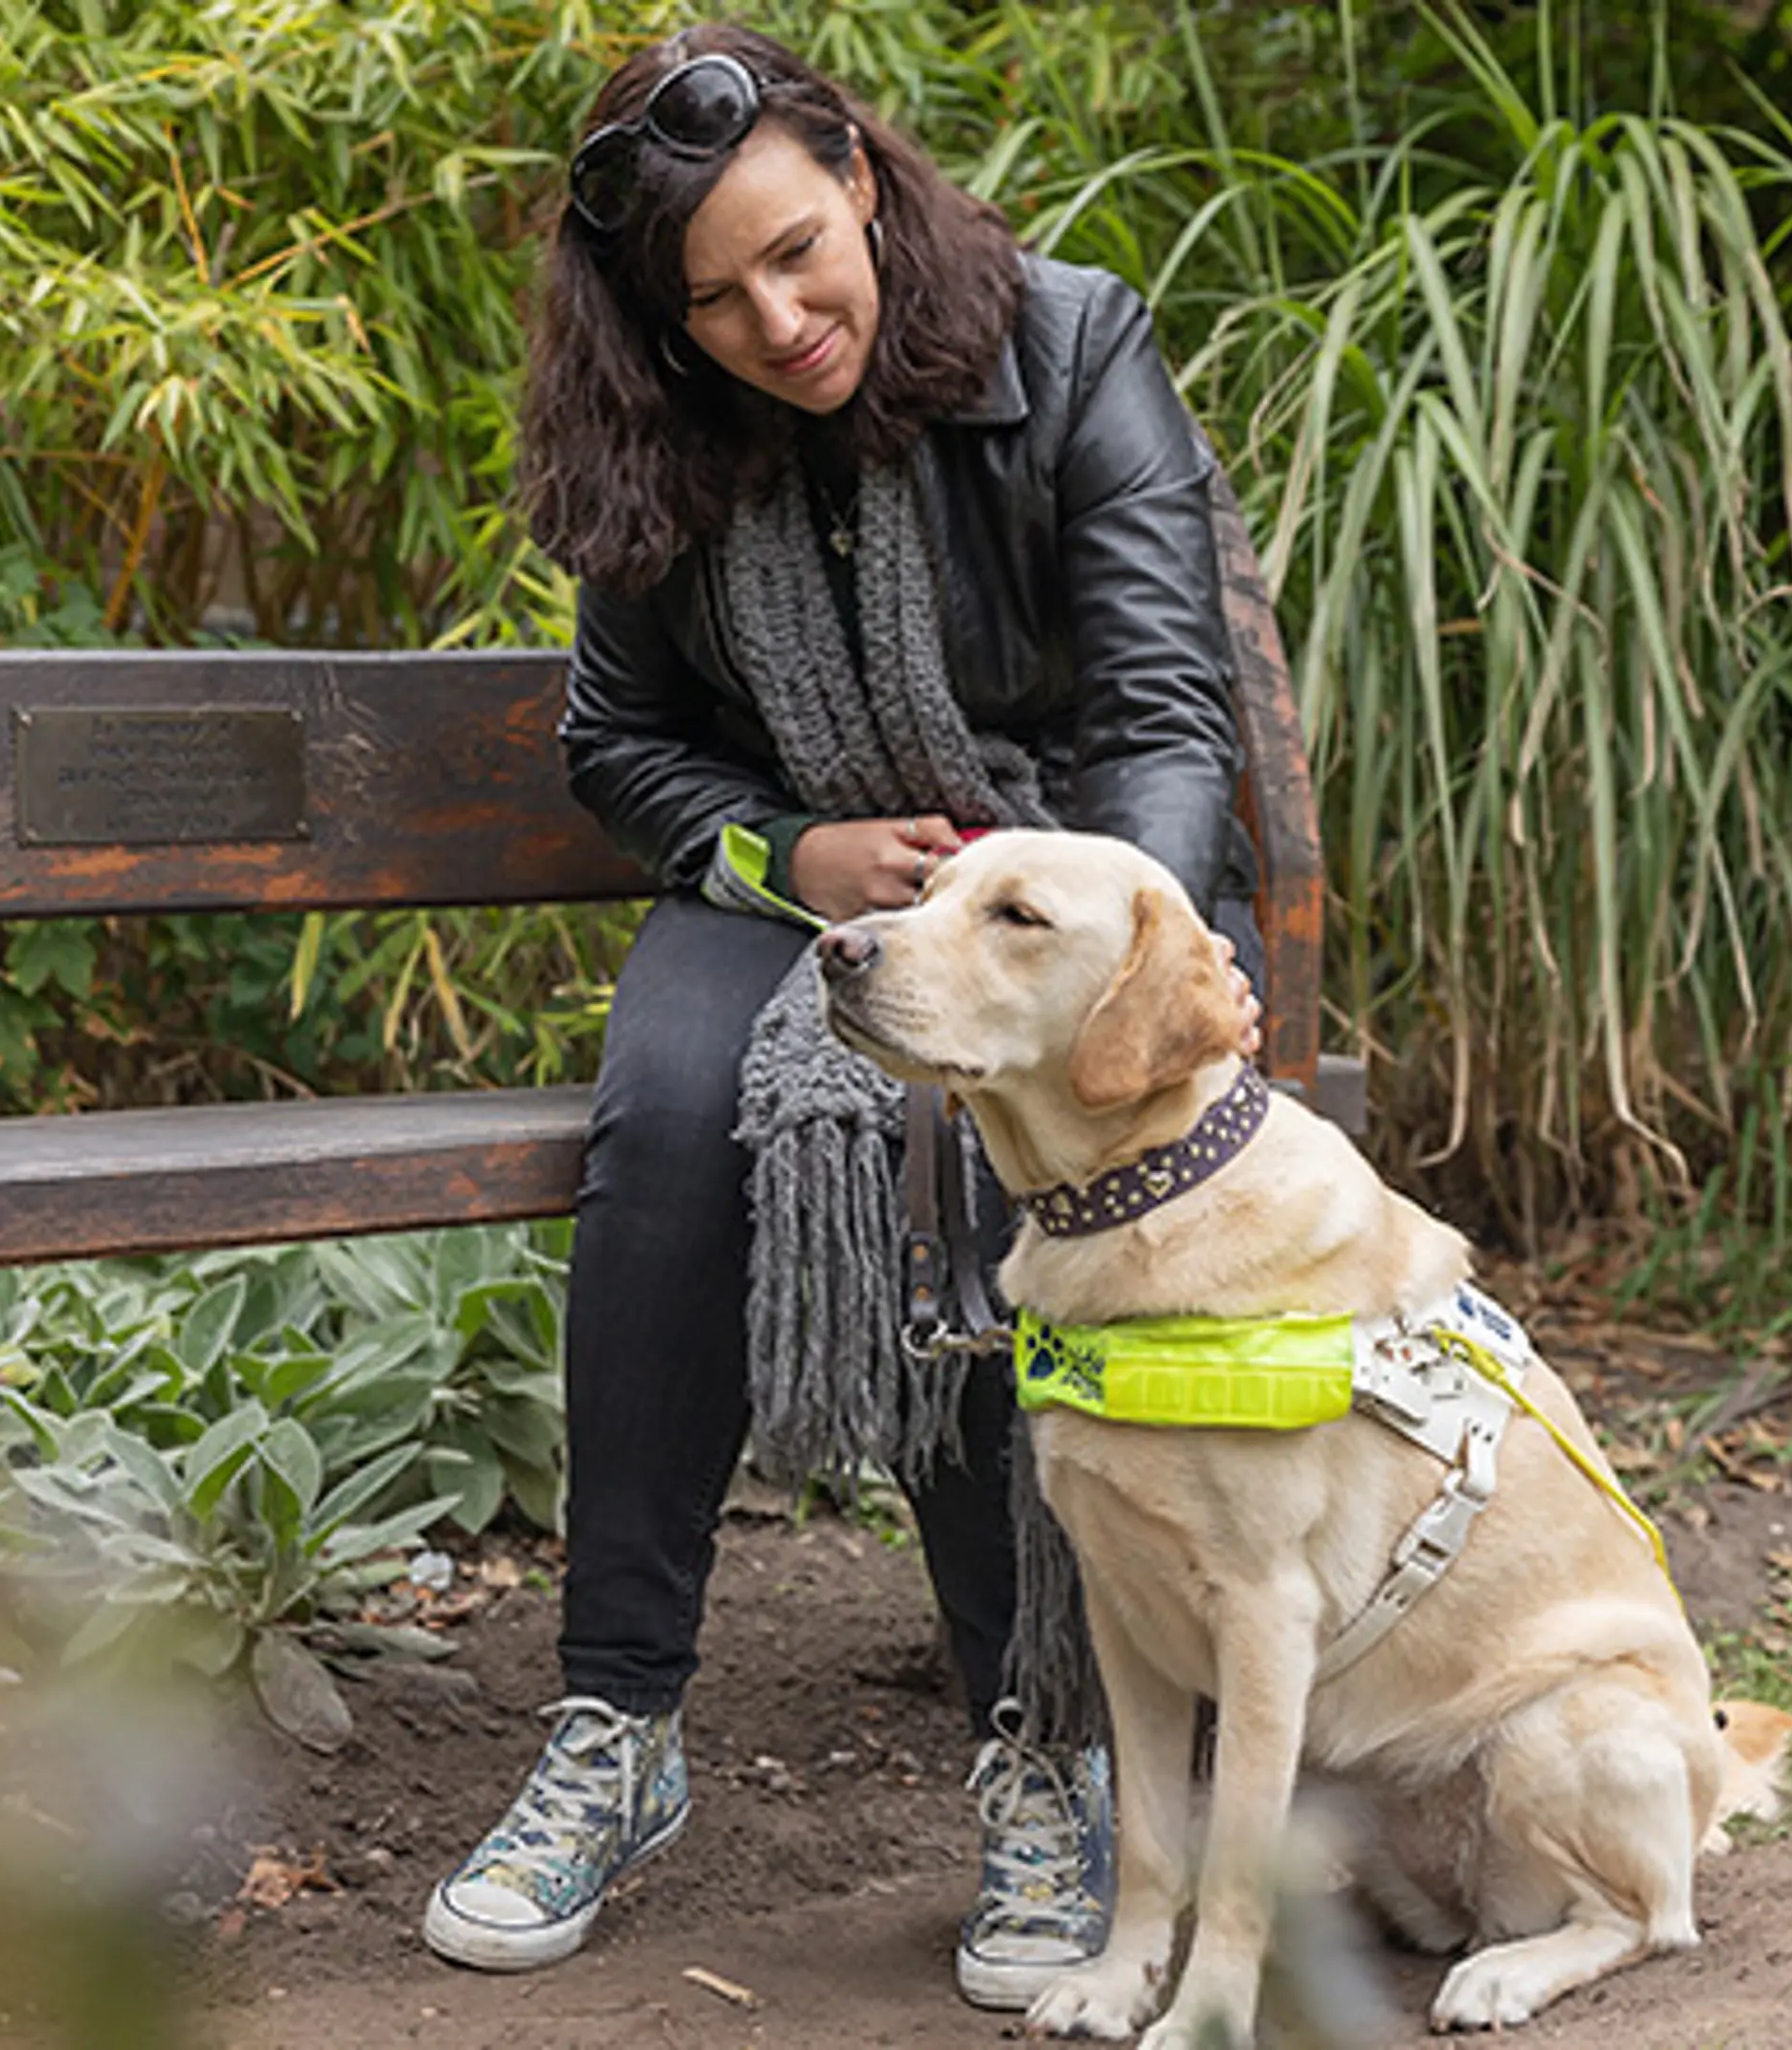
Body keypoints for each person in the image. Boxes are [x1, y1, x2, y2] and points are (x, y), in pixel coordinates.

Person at [416, 20, 1258, 2012]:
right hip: (800, 875)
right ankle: (617, 1725)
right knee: (668, 1121)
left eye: (799, 250)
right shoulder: (659, 434)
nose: (775, 318)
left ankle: (1041, 1748)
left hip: (1048, 886)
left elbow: (1158, 708)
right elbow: (619, 744)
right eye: (713, 297)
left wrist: (1097, 969)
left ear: (861, 177)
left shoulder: (1070, 343)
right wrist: (786, 861)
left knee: (963, 1134)